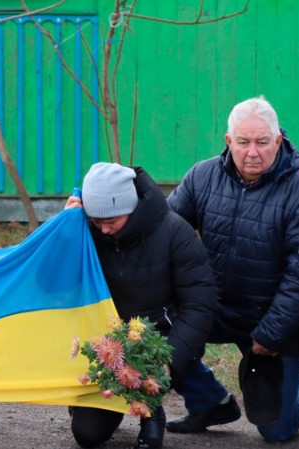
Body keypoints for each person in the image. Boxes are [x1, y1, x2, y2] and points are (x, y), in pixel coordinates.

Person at [165, 96, 299, 441]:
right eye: (243, 142)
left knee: (276, 429)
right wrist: (90, 214)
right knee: (157, 322)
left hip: (270, 319)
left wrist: (272, 332)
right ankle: (209, 401)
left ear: (278, 140)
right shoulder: (202, 176)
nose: (252, 152)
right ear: (229, 141)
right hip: (213, 309)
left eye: (261, 142)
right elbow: (162, 229)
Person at [64, 162, 222, 449]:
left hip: (161, 341)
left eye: (111, 221)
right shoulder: (86, 230)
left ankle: (152, 413)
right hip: (106, 347)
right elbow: (50, 284)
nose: (104, 229)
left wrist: (169, 360)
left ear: (131, 206)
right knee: (86, 434)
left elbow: (199, 305)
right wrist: (65, 231)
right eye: (96, 222)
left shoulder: (175, 232)